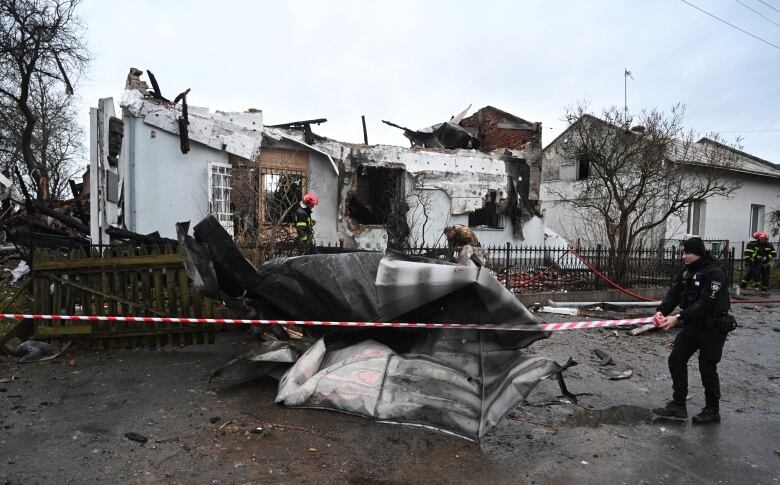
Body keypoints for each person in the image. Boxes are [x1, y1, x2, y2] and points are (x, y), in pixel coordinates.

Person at [652, 237, 732, 425]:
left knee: (707, 367)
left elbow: (706, 303)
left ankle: (712, 410)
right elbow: (674, 294)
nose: (683, 256)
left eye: (687, 252)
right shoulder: (687, 273)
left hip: (713, 327)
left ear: (698, 252)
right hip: (693, 326)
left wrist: (678, 318)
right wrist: (661, 311)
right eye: (683, 252)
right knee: (676, 359)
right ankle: (678, 405)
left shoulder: (714, 274)